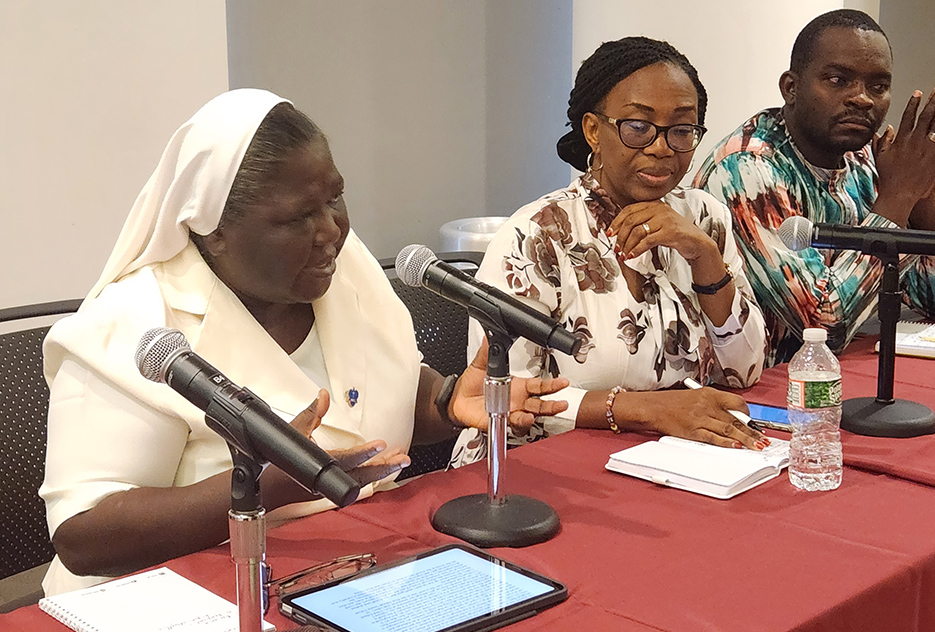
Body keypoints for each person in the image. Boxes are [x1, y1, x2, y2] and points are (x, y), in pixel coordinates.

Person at [39, 89, 568, 596]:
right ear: (212, 230)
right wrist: (267, 489)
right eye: (296, 218)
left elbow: (366, 401)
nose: (331, 230)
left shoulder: (344, 268)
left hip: (351, 574)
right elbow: (84, 536)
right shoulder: (133, 323)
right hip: (178, 611)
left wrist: (445, 400)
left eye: (335, 197)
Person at [452, 37, 768, 468]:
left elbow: (745, 372)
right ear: (593, 131)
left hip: (664, 461)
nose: (661, 147)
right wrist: (646, 410)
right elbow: (508, 401)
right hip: (533, 472)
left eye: (681, 130)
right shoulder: (538, 234)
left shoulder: (703, 217)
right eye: (638, 126)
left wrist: (705, 258)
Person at [694, 9, 935, 365]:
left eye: (878, 86)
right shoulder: (746, 170)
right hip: (762, 396)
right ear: (791, 88)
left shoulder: (864, 158)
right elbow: (824, 327)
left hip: (841, 379)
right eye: (838, 80)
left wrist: (922, 192)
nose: (862, 99)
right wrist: (897, 197)